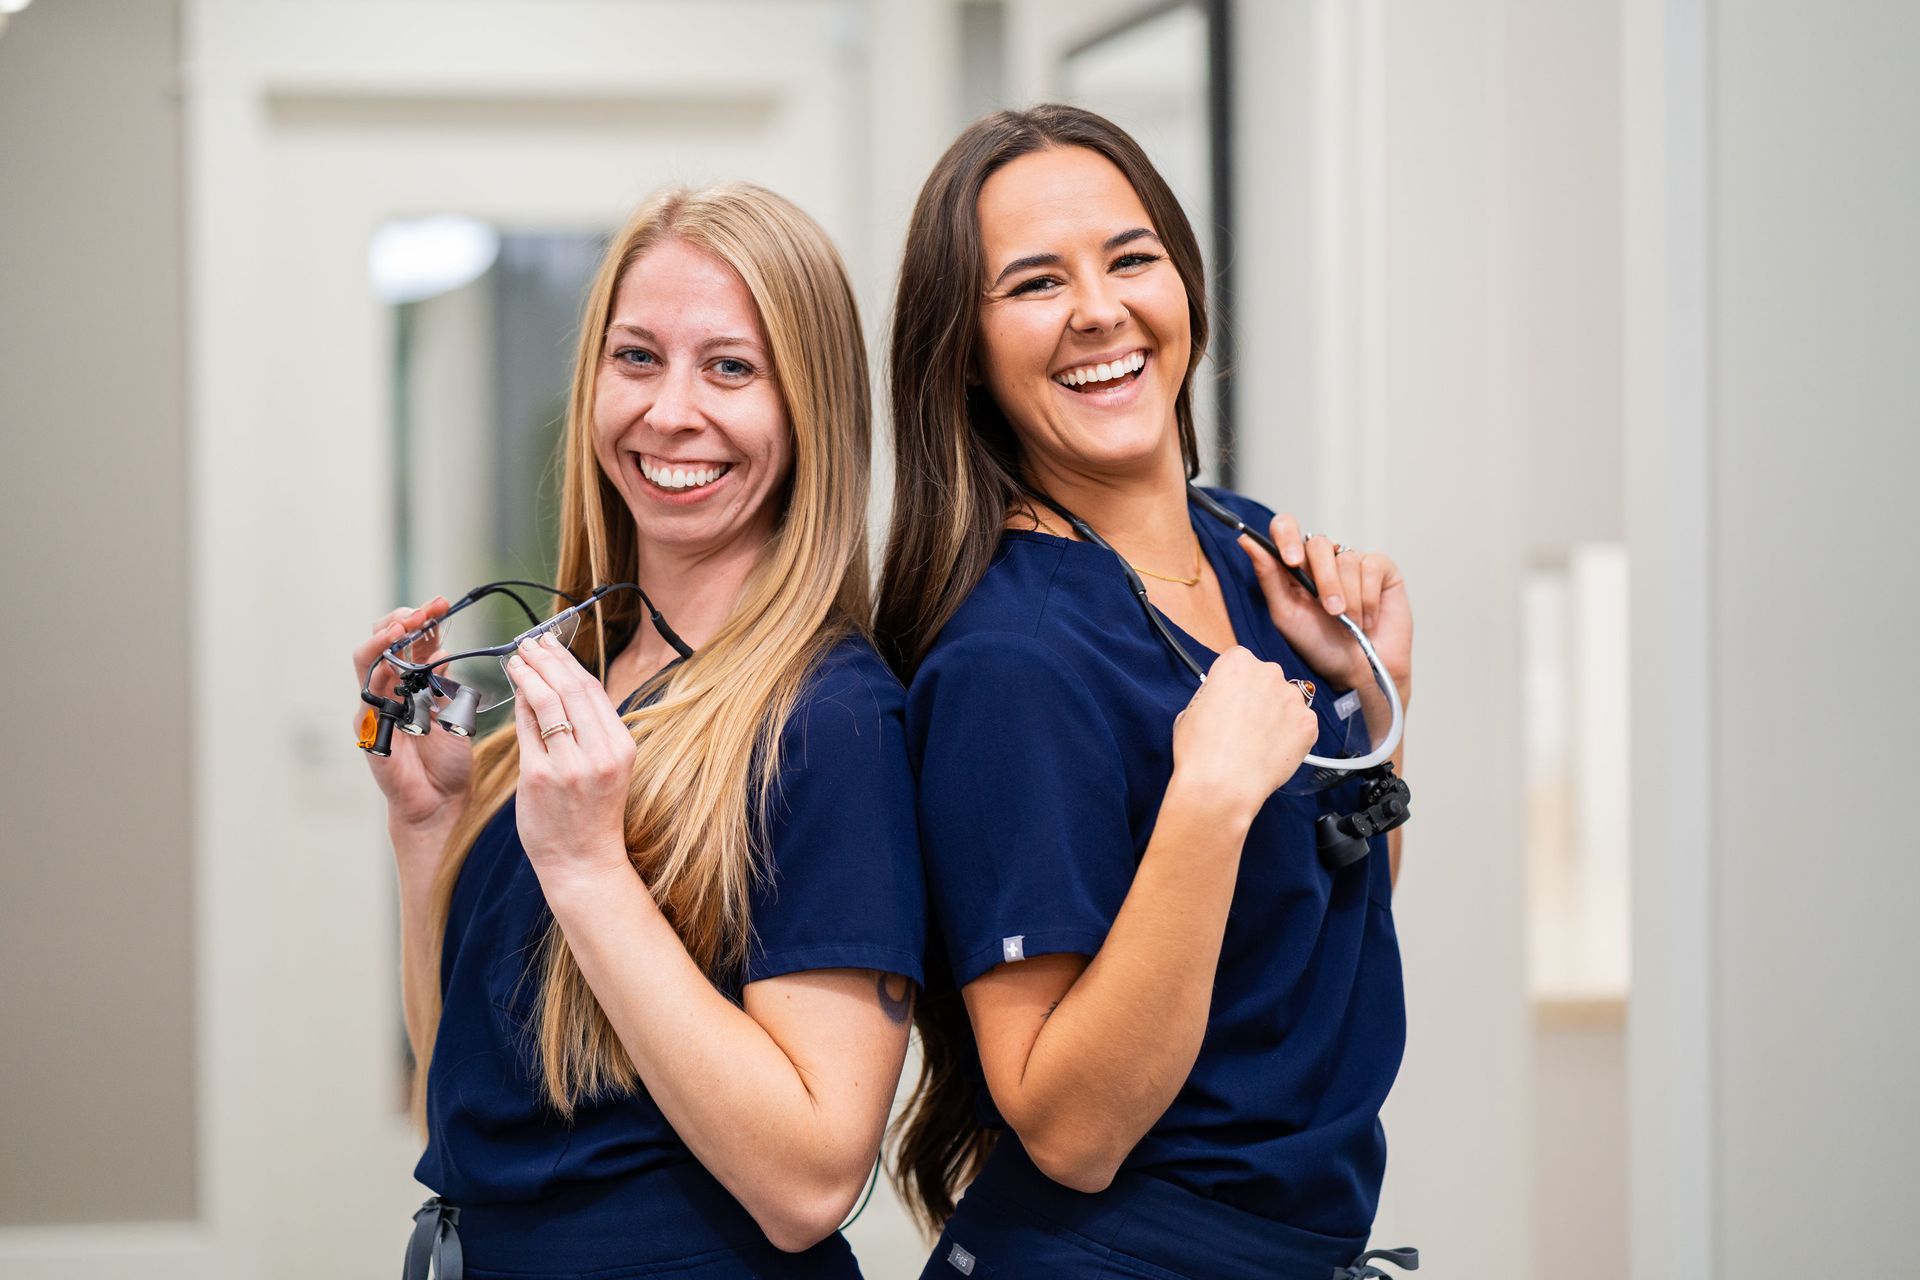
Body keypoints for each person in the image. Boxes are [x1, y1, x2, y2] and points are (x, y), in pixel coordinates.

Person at [876, 106, 1417, 1280]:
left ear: (1184, 281)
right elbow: (1065, 1127)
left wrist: (1377, 700)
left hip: (1298, 1238)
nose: (1098, 310)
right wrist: (1204, 805)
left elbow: (1322, 938)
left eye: (1131, 257)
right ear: (964, 350)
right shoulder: (1009, 660)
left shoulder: (1252, 557)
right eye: (1034, 282)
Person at [353, 183, 923, 1280]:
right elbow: (462, 1094)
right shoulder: (584, 681)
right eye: (637, 358)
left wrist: (589, 870)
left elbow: (810, 1181)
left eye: (730, 367)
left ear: (811, 411)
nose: (669, 412)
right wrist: (427, 825)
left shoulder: (833, 719)